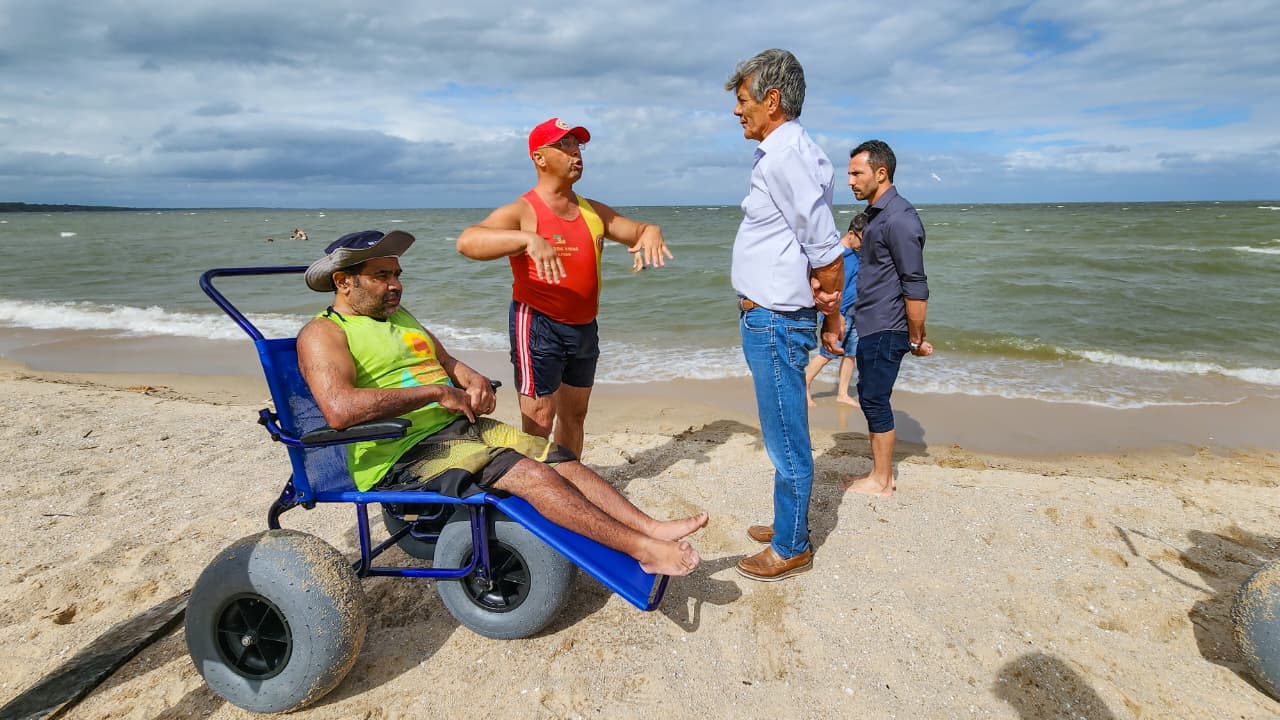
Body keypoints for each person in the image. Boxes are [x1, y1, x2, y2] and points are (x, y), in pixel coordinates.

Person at [296, 230, 704, 576]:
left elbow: (447, 362)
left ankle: (649, 528)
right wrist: (438, 393)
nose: (396, 285)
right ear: (343, 281)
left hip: (453, 430)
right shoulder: (323, 333)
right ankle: (643, 552)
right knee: (531, 476)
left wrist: (471, 381)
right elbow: (340, 409)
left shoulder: (401, 317)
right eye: (381, 276)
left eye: (397, 275)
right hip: (400, 453)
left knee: (561, 461)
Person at [457, 118, 673, 458]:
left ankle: (570, 483)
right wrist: (527, 239)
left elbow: (637, 230)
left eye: (577, 145)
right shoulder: (523, 211)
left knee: (575, 415)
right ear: (539, 158)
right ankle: (540, 492)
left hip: (584, 326)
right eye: (565, 145)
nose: (576, 153)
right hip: (538, 324)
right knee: (540, 419)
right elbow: (468, 241)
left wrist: (651, 231)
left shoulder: (592, 211)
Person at [724, 49, 845, 582]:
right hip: (773, 316)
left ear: (772, 100)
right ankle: (787, 521)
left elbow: (824, 245)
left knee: (785, 437)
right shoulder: (789, 152)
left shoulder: (783, 157)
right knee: (781, 429)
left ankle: (793, 544)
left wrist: (832, 307)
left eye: (744, 100)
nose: (737, 111)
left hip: (774, 319)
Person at [843, 140, 932, 497]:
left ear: (881, 173)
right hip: (871, 323)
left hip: (886, 325)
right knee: (869, 395)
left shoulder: (900, 218)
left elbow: (915, 284)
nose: (849, 180)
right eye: (849, 173)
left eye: (856, 173)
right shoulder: (877, 216)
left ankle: (882, 480)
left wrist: (915, 336)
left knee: (875, 398)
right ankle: (879, 473)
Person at [804, 212, 866, 407]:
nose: (865, 245)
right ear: (851, 233)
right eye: (863, 239)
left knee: (851, 354)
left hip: (855, 311)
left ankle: (842, 393)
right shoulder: (836, 255)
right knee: (827, 354)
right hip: (837, 315)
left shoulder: (859, 253)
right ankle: (803, 388)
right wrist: (834, 315)